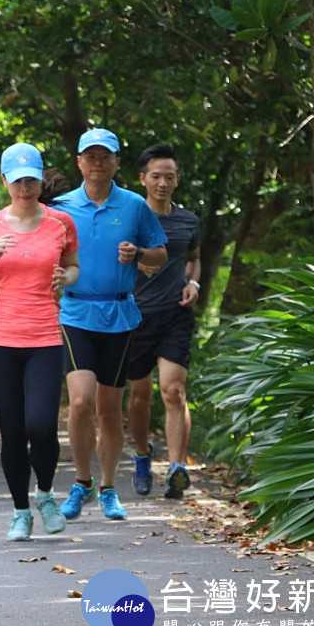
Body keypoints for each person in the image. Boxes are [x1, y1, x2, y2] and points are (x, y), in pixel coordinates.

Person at [0, 145, 80, 540]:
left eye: (31, 180)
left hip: (45, 337)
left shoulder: (61, 223)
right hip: (0, 340)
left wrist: (68, 278)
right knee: (13, 430)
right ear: (5, 182)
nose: (25, 188)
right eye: (17, 181)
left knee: (42, 425)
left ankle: (45, 493)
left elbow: (74, 265)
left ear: (40, 180)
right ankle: (20, 512)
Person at [54, 129, 167, 522]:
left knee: (108, 407)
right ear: (79, 162)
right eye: (91, 156)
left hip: (119, 314)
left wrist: (138, 252)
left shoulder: (135, 206)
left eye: (106, 156)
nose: (98, 162)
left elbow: (161, 254)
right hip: (74, 313)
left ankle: (106, 488)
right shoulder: (60, 207)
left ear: (117, 163)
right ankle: (80, 481)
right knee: (81, 400)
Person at [125, 145, 200, 500]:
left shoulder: (188, 220)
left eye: (169, 176)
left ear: (178, 179)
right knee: (140, 395)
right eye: (156, 176)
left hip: (174, 314)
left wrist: (193, 283)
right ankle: (142, 455)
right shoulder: (129, 218)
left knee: (174, 390)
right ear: (143, 179)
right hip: (135, 315)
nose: (163, 182)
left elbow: (193, 258)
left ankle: (176, 468)